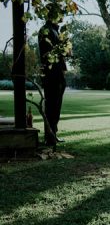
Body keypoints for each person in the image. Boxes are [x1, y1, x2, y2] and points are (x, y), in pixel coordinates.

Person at [38, 18, 67, 146]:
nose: (62, 15)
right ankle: (49, 137)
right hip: (51, 73)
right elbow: (49, 53)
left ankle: (52, 134)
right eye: (59, 12)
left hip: (58, 72)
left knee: (56, 106)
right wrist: (63, 48)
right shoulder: (46, 31)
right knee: (52, 106)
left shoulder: (55, 31)